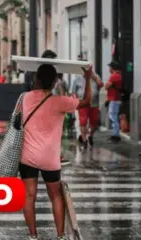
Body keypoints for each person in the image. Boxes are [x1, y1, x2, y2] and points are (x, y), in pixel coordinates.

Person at [21, 64, 93, 240]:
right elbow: (87, 102)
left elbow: (18, 117)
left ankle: (33, 236)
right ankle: (60, 235)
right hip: (50, 158)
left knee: (29, 196)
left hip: (28, 156)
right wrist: (88, 78)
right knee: (55, 196)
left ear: (37, 79)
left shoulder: (25, 98)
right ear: (55, 81)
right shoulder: (61, 101)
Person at [71, 65, 103, 148]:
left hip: (94, 103)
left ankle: (90, 135)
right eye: (84, 69)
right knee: (83, 121)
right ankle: (84, 140)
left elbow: (101, 85)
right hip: (82, 102)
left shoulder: (95, 76)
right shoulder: (77, 78)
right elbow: (73, 91)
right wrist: (75, 99)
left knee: (95, 122)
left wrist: (95, 78)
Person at [104, 60, 123, 143]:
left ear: (112, 68)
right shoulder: (118, 76)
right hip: (114, 99)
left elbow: (106, 86)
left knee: (113, 116)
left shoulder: (114, 76)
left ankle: (116, 135)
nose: (109, 69)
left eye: (110, 67)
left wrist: (108, 85)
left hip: (115, 99)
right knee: (113, 116)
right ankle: (115, 134)